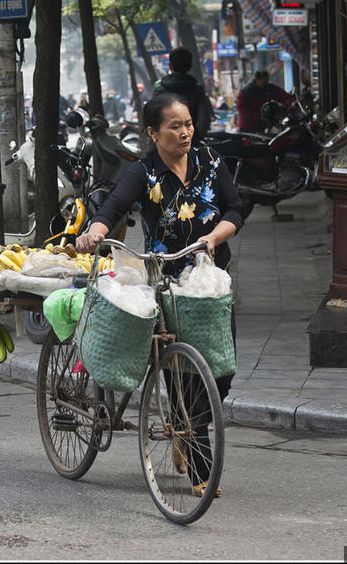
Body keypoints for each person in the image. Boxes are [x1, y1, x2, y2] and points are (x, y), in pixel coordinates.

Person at [76, 92, 244, 497]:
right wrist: (97, 229)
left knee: (220, 372)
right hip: (167, 283)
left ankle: (185, 432)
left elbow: (236, 207)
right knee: (185, 376)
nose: (185, 132)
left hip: (210, 282)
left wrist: (215, 235)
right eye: (175, 126)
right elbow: (114, 205)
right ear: (153, 133)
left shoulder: (209, 161)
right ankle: (201, 470)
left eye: (188, 124)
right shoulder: (144, 172)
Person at [152, 46, 213, 145]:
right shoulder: (197, 91)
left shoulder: (160, 91)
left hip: (166, 145)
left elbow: (153, 118)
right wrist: (194, 138)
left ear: (170, 66)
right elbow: (204, 119)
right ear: (190, 66)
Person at [235, 69, 293, 133]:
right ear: (257, 79)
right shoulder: (245, 92)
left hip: (262, 126)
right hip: (248, 126)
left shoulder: (269, 88)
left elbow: (284, 96)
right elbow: (242, 111)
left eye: (267, 81)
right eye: (263, 83)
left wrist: (290, 105)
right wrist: (259, 116)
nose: (265, 85)